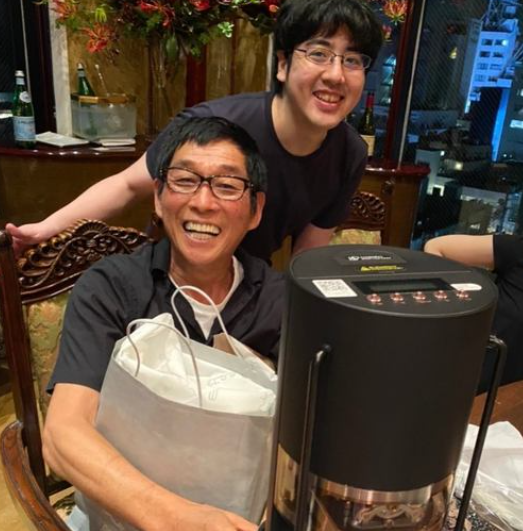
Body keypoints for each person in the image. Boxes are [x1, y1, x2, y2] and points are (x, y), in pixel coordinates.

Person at [43, 117, 283, 531]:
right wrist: (181, 519)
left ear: (255, 210)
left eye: (227, 186)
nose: (203, 202)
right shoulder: (112, 288)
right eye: (184, 180)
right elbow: (63, 436)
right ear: (157, 196)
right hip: (118, 513)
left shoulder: (280, 301)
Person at [7, 0, 383, 261]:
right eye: (318, 54)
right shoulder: (215, 125)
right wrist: (46, 229)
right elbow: (127, 186)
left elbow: (308, 252)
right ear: (283, 64)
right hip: (171, 280)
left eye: (353, 60)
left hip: (249, 292)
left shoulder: (349, 153)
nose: (336, 74)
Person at [424, 234, 523, 387]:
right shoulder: (517, 248)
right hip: (465, 381)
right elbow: (437, 247)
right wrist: (453, 305)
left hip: (512, 395)